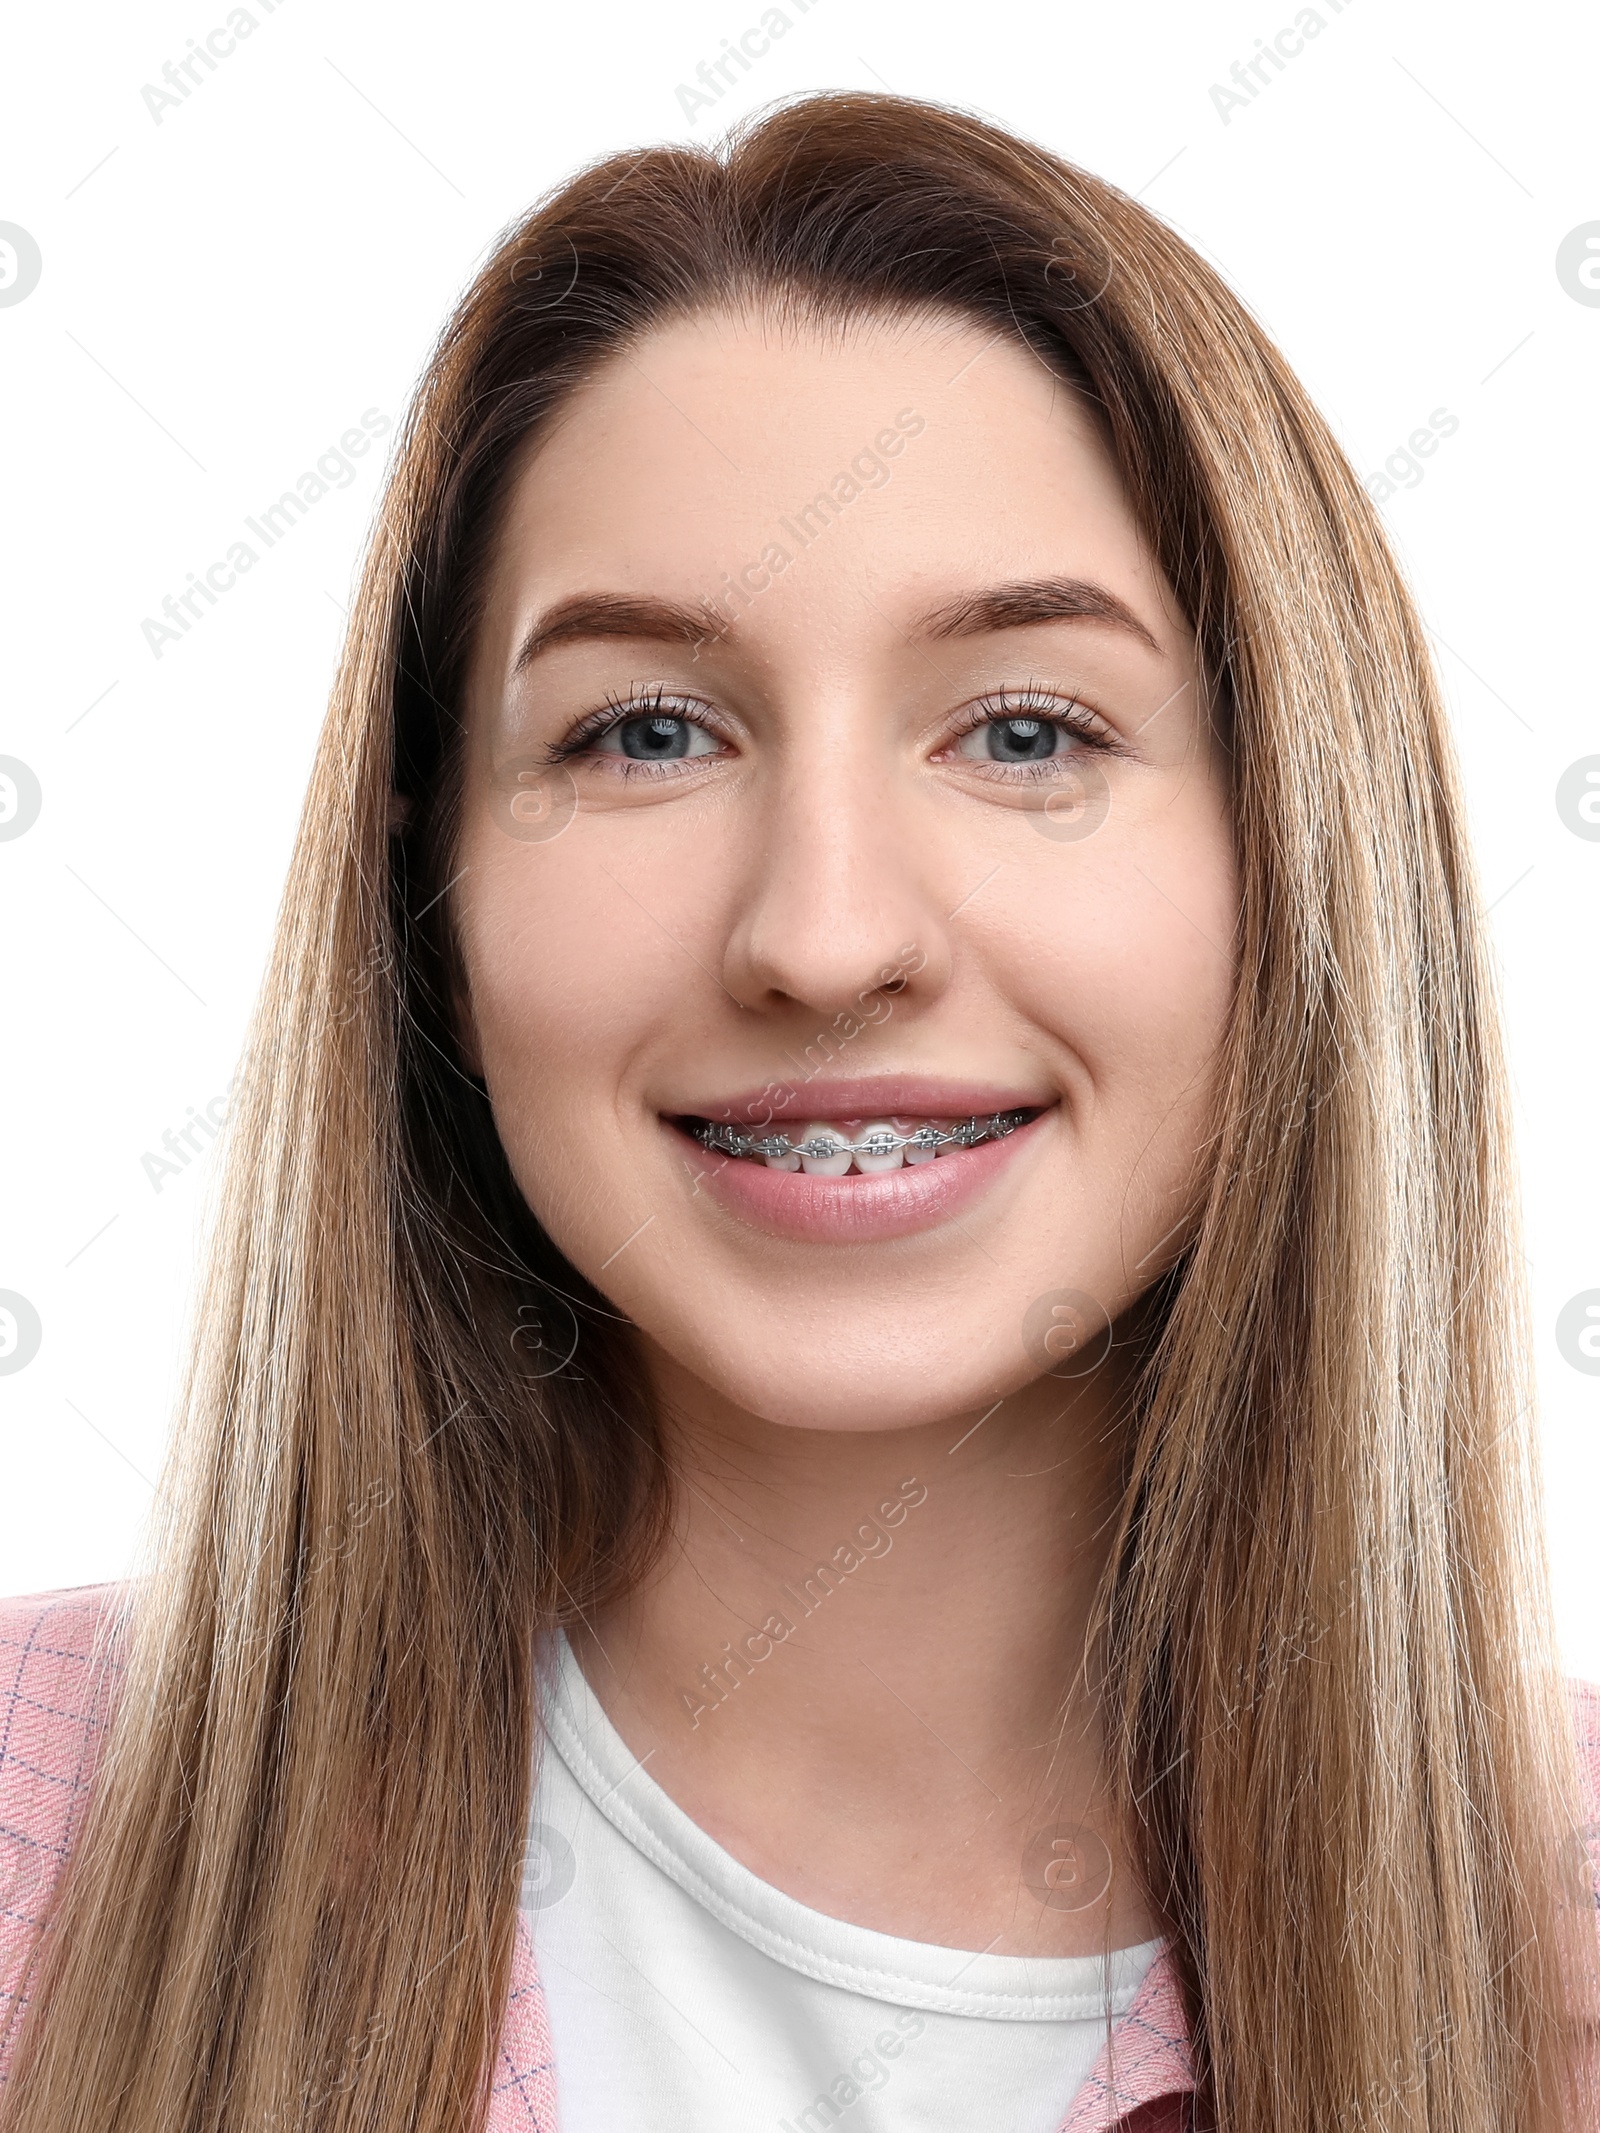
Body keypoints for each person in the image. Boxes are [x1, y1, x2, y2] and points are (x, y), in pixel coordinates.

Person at [2, 90, 1596, 2133]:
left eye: (1025, 727)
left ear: (1291, 860)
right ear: (434, 893)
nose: (825, 936)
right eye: (645, 729)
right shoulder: (41, 1831)